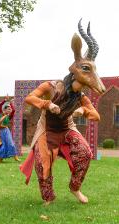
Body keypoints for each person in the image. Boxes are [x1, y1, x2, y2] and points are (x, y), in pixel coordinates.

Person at [20, 20, 106, 205]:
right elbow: (29, 98)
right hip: (47, 130)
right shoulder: (51, 87)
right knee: (42, 163)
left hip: (67, 130)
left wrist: (83, 110)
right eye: (86, 69)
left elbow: (96, 116)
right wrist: (47, 104)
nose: (94, 78)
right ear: (75, 70)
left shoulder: (81, 96)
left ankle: (75, 188)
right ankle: (48, 197)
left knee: (85, 153)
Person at [0, 98, 20, 163]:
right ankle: (0, 159)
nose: (10, 110)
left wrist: (11, 103)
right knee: (1, 145)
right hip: (0, 132)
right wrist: (5, 100)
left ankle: (15, 157)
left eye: (10, 109)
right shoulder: (0, 113)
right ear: (4, 109)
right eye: (8, 109)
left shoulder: (9, 116)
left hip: (6, 131)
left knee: (11, 143)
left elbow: (13, 110)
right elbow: (0, 105)